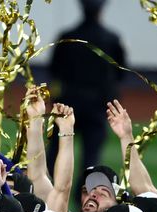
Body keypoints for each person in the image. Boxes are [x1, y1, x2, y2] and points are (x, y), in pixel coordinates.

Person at [48, 0, 125, 172]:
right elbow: (120, 73)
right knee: (91, 157)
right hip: (97, 105)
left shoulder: (67, 36)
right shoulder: (111, 39)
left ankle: (50, 193)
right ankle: (83, 195)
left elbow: (54, 70)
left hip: (67, 102)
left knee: (56, 152)